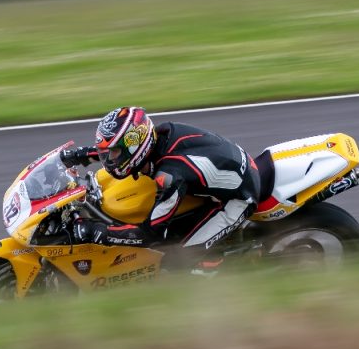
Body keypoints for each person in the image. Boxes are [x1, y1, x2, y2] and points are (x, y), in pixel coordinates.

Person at [60, 106, 261, 266]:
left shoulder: (170, 176)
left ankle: (225, 268)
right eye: (106, 153)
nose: (109, 159)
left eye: (112, 153)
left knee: (175, 262)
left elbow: (151, 234)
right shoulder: (158, 135)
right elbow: (123, 151)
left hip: (241, 197)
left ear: (134, 147)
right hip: (229, 167)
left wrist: (98, 232)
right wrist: (79, 155)